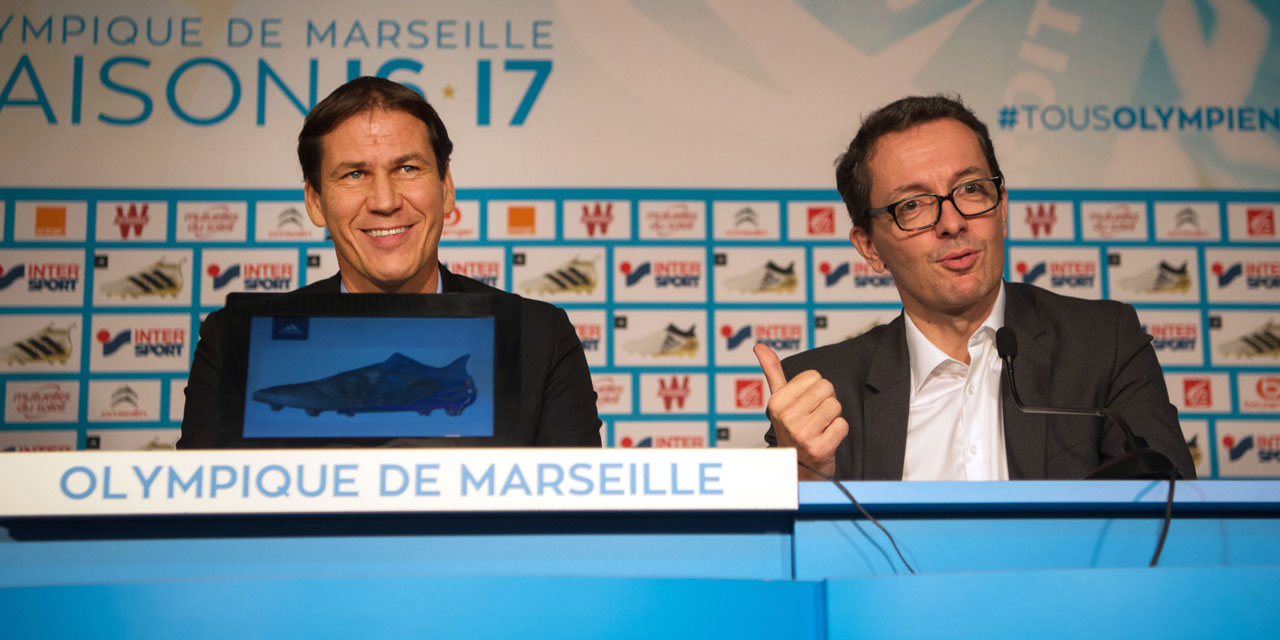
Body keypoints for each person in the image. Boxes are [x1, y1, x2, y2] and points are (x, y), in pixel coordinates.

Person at [754, 95, 1194, 480]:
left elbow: (1169, 515)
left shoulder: (1101, 343)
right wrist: (806, 478)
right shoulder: (821, 391)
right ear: (870, 247)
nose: (952, 222)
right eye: (912, 205)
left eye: (970, 189)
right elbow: (791, 544)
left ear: (1001, 207)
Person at [179, 76, 601, 448]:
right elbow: (197, 506)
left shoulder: (538, 338)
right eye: (354, 174)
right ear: (315, 201)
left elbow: (573, 509)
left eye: (407, 168)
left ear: (446, 187)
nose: (385, 201)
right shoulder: (237, 344)